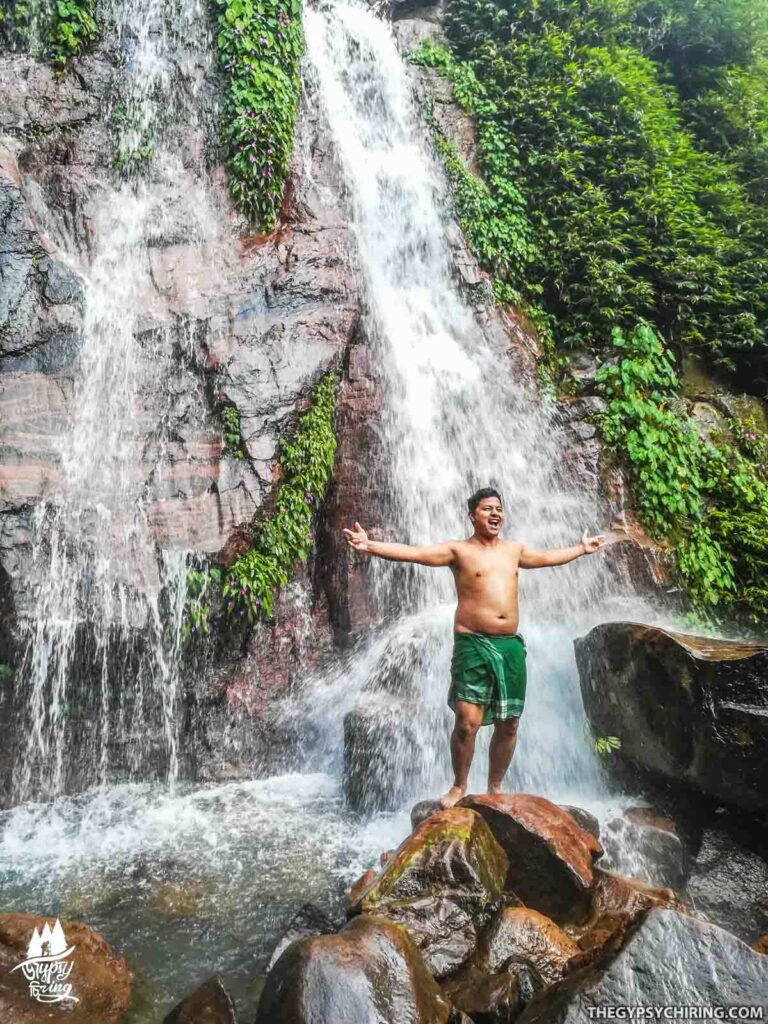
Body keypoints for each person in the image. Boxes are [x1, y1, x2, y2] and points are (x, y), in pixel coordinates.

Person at [343, 487, 606, 808]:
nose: (495, 514)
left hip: (509, 647)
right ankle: (459, 786)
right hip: (472, 645)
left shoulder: (514, 550)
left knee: (509, 723)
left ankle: (495, 788)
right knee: (467, 723)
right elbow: (415, 553)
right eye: (486, 509)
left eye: (498, 509)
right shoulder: (458, 551)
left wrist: (581, 549)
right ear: (472, 515)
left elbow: (547, 558)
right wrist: (370, 545)